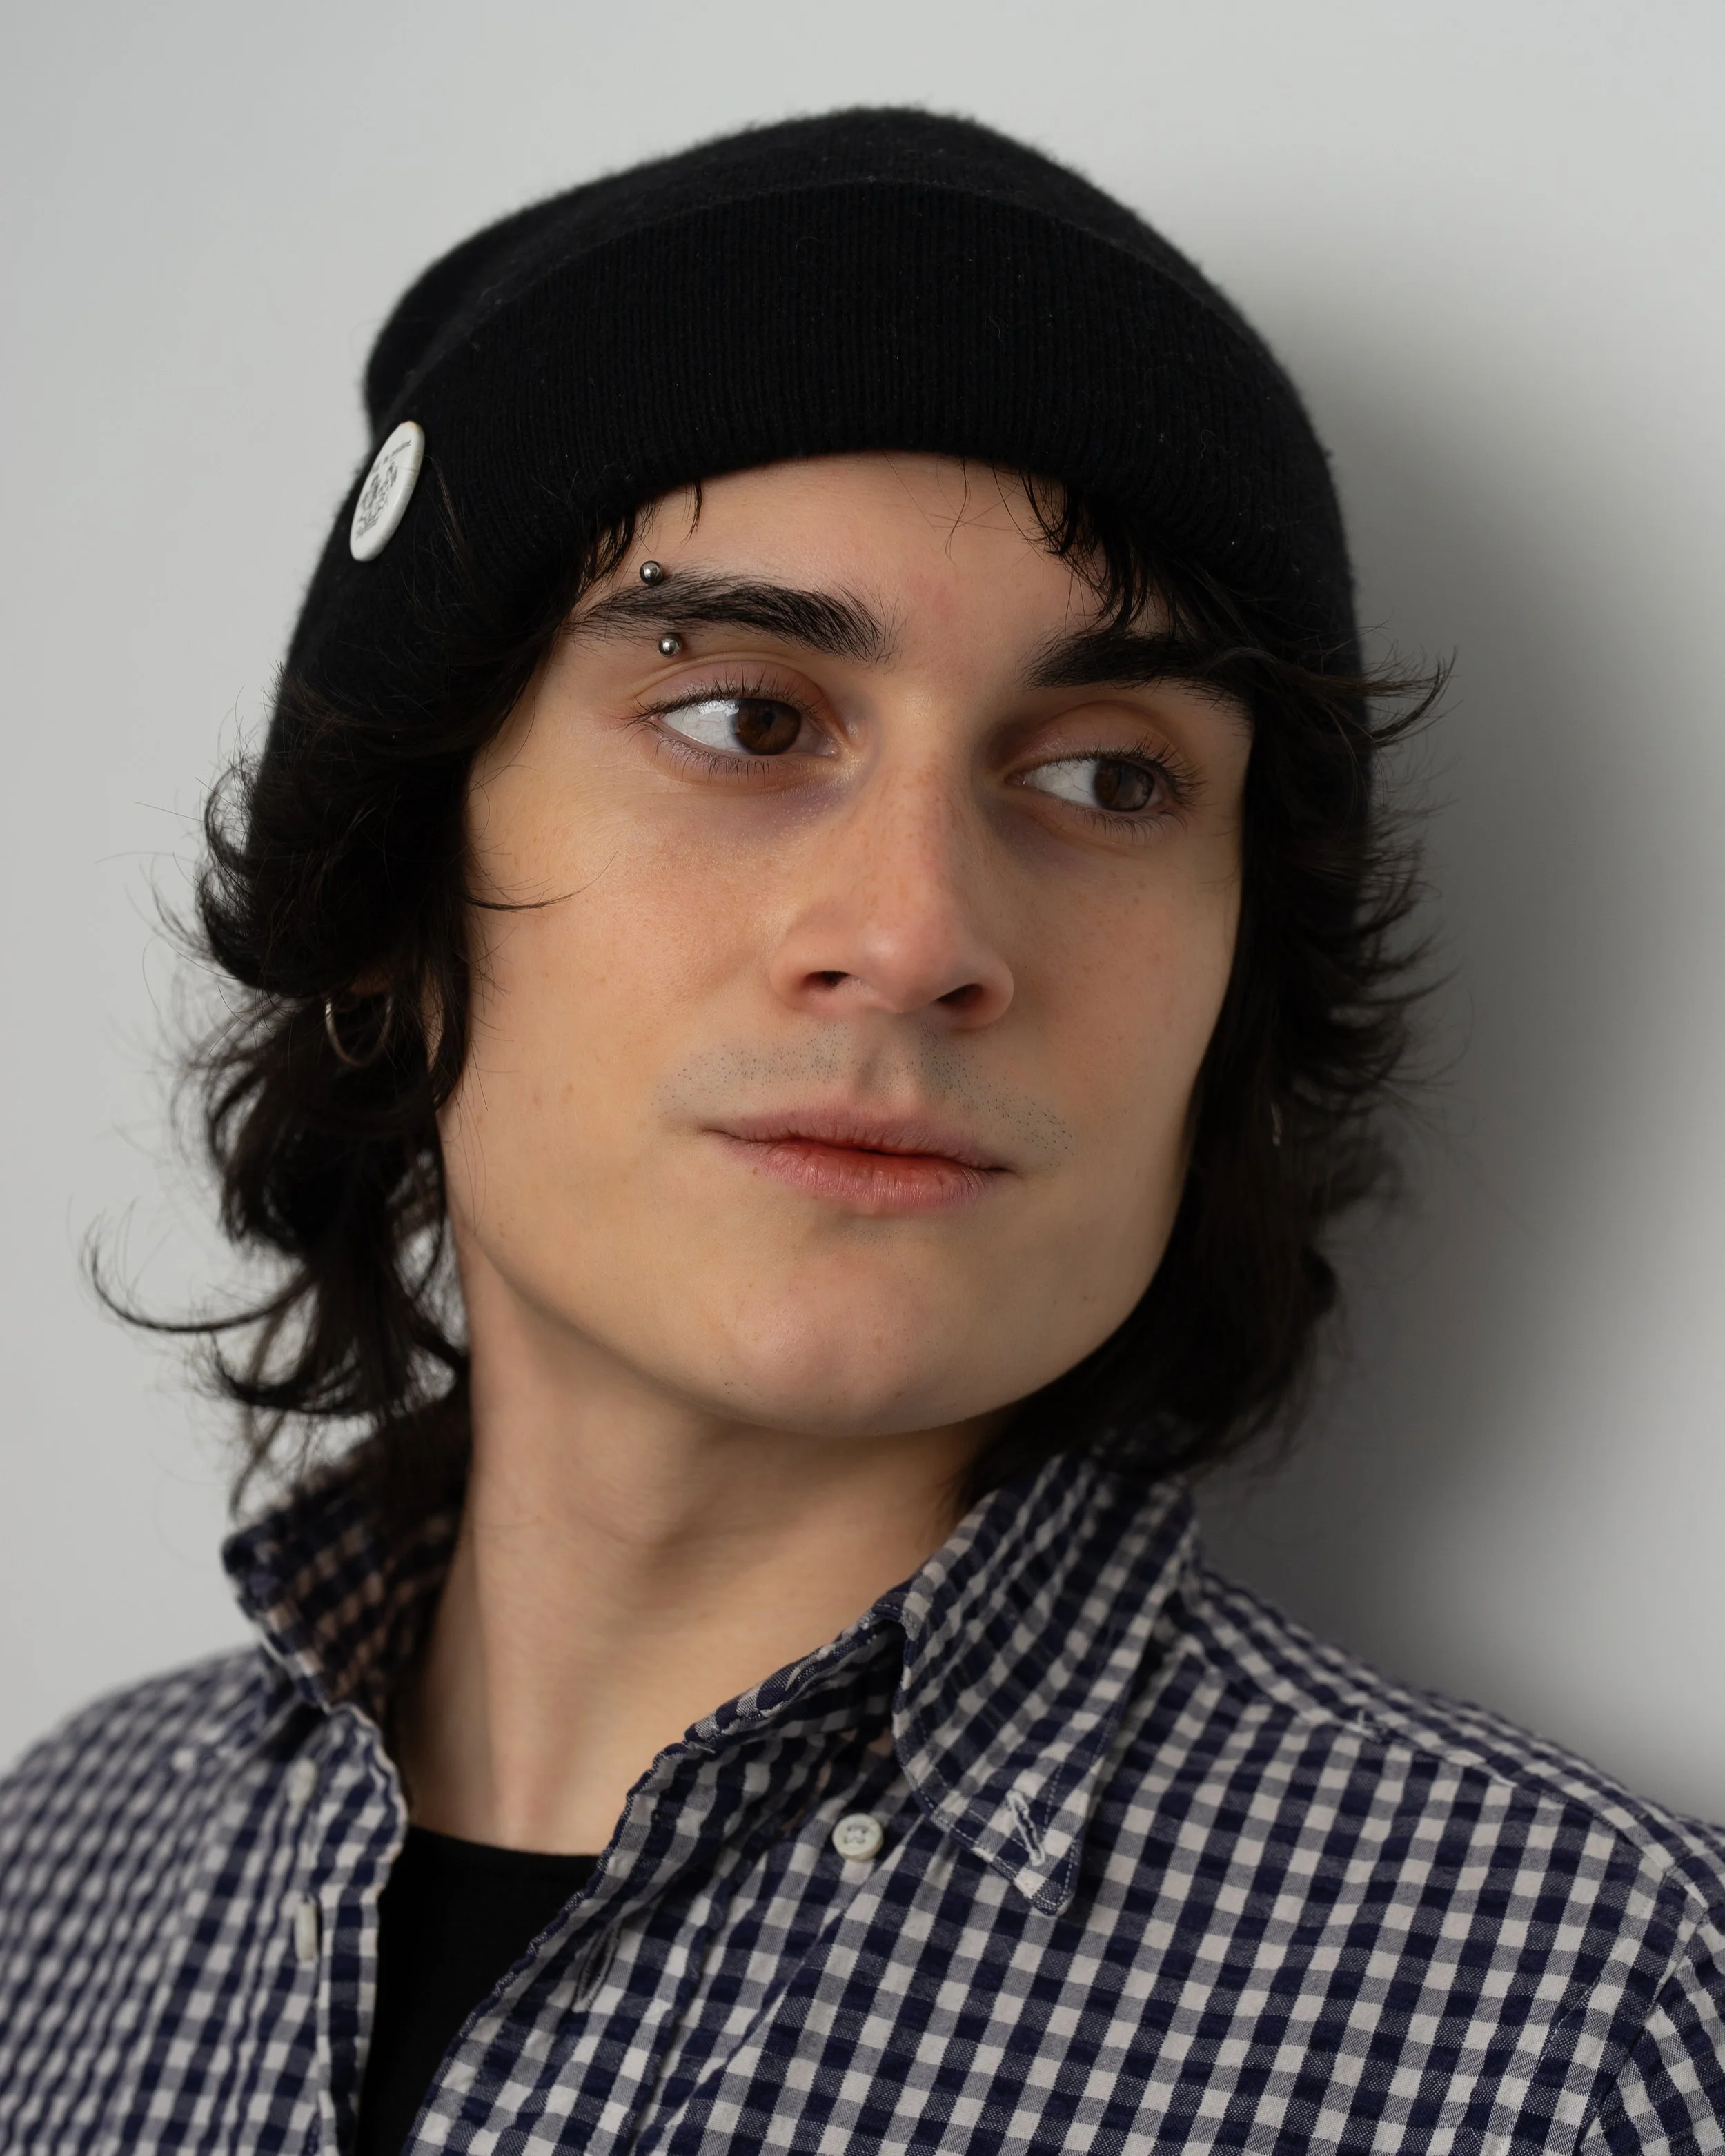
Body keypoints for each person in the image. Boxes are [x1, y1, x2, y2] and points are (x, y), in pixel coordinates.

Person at [1, 107, 1719, 2156]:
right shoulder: (53, 1887)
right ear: (389, 893)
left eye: (1107, 778)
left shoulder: (1583, 2034)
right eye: (742, 720)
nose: (915, 939)